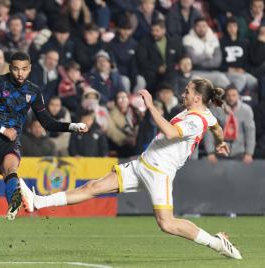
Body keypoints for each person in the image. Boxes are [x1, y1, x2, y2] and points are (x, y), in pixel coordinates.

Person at [20, 78, 243, 260]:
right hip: (142, 164)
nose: (183, 94)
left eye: (187, 91)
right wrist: (220, 142)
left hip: (160, 172)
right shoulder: (204, 114)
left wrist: (150, 106)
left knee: (166, 223)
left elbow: (170, 132)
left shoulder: (195, 121)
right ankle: (38, 202)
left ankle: (217, 243)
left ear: (196, 98)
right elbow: (216, 126)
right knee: (94, 186)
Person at [0, 51, 88, 254]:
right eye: (15, 68)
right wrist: (2, 129)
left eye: (24, 69)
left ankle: (14, 198)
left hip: (9, 144)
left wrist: (73, 126)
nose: (20, 73)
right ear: (9, 68)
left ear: (30, 68)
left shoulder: (33, 91)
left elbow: (48, 122)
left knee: (10, 167)